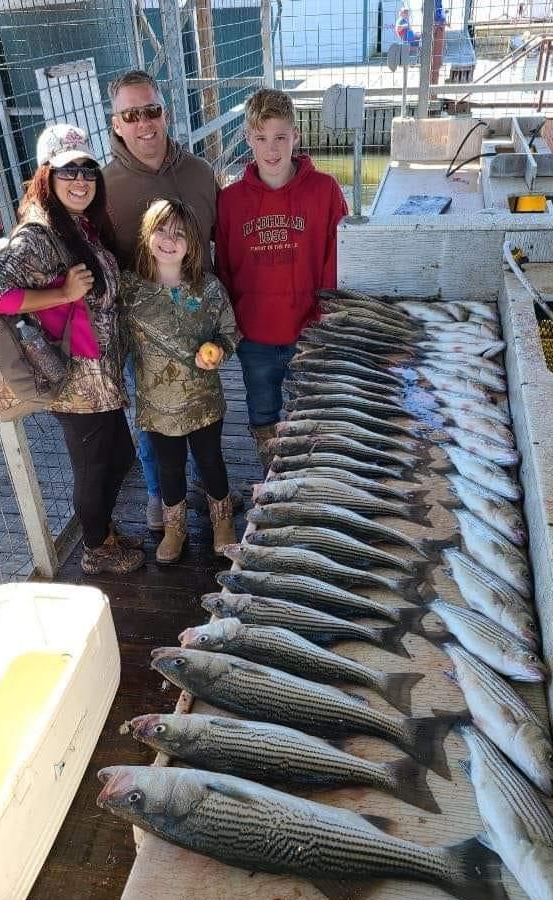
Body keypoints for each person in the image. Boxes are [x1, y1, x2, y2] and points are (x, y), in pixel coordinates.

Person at [0, 123, 144, 576]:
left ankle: (103, 531)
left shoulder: (78, 225)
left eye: (88, 170)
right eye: (67, 170)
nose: (80, 180)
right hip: (75, 379)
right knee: (94, 469)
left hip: (101, 376)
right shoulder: (36, 233)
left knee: (121, 457)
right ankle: (96, 550)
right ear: (46, 177)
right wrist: (62, 294)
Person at [103, 70, 227, 530]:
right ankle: (160, 494)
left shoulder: (198, 172)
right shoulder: (103, 186)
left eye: (151, 110)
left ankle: (206, 487)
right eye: (131, 115)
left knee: (203, 411)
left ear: (165, 113)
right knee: (154, 416)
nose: (144, 123)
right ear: (117, 124)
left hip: (196, 323)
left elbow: (220, 242)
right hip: (145, 333)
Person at [215, 88, 348, 470]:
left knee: (313, 413)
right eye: (260, 138)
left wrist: (323, 320)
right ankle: (272, 480)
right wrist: (232, 326)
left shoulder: (325, 190)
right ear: (247, 139)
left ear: (296, 137)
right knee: (262, 413)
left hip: (308, 331)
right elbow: (224, 267)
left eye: (280, 137)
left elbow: (335, 259)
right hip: (254, 334)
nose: (271, 149)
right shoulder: (230, 200)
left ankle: (312, 479)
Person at [120, 198, 240, 564]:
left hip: (203, 401)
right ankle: (175, 528)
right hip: (157, 408)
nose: (169, 240)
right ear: (146, 234)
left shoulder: (209, 289)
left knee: (210, 460)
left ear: (193, 244)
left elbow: (230, 333)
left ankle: (222, 521)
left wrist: (218, 350)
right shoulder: (130, 290)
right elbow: (115, 339)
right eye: (161, 230)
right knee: (168, 467)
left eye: (180, 235)